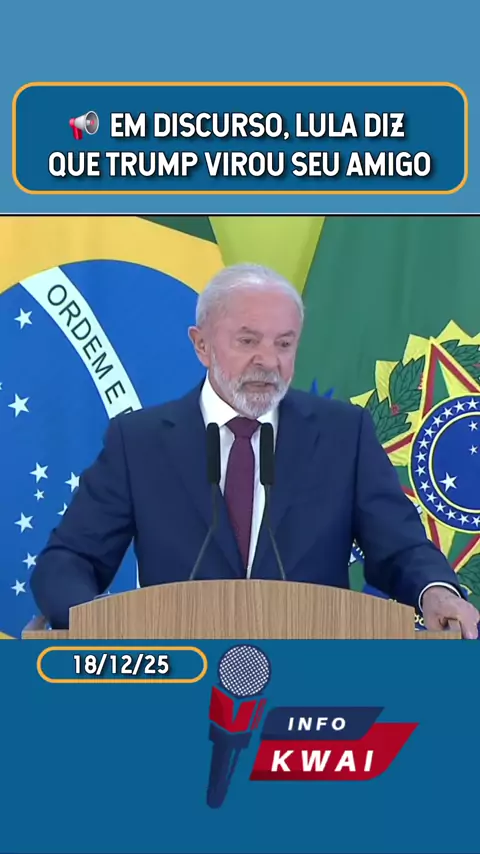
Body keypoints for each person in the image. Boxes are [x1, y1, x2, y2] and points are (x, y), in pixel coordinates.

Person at [30, 263, 479, 637]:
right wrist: (97, 626)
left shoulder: (344, 434)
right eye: (248, 341)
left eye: (284, 343)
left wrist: (436, 591)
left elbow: (400, 547)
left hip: (317, 674)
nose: (268, 360)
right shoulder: (140, 442)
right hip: (178, 675)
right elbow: (69, 560)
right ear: (202, 345)